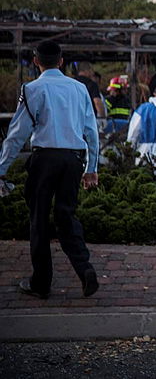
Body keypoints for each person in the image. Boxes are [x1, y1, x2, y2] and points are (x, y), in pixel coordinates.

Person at [0, 40, 100, 299]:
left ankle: (41, 282)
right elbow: (91, 131)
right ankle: (85, 269)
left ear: (36, 61)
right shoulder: (79, 89)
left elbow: (16, 135)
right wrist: (92, 167)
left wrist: (2, 169)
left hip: (44, 159)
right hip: (72, 161)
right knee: (67, 216)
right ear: (62, 61)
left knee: (39, 220)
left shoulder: (32, 89)